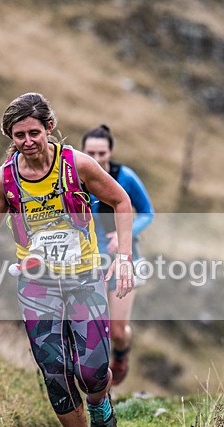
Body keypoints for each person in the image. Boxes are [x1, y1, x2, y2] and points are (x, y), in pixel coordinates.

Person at [0, 93, 135, 427]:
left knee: (93, 370)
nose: (27, 141)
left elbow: (122, 201)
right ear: (10, 137)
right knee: (55, 371)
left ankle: (99, 401)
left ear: (49, 128)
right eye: (19, 135)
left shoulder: (77, 165)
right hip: (36, 285)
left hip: (83, 278)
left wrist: (125, 258)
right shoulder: (5, 179)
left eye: (34, 132)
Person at [81, 125, 154, 386]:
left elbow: (147, 213)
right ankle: (97, 384)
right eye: (91, 153)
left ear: (110, 152)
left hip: (125, 259)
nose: (96, 158)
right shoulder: (75, 178)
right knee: (93, 328)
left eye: (102, 153)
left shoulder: (125, 177)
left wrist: (124, 234)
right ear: (82, 151)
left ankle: (121, 354)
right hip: (89, 261)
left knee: (117, 330)